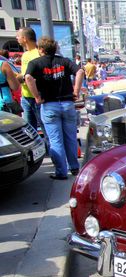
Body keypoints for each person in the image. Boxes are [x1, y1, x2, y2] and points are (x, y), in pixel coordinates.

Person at [25, 36, 85, 180]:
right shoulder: (64, 61)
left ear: (41, 49)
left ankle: (61, 172)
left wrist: (37, 97)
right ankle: (75, 167)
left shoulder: (35, 63)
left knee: (55, 140)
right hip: (67, 103)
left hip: (49, 105)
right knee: (70, 137)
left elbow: (28, 78)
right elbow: (80, 71)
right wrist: (76, 91)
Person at [16, 27, 42, 131]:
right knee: (29, 131)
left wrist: (19, 77)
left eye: (18, 36)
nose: (16, 38)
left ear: (24, 38)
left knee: (44, 129)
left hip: (36, 97)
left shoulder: (37, 54)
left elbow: (30, 76)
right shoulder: (25, 54)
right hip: (26, 97)